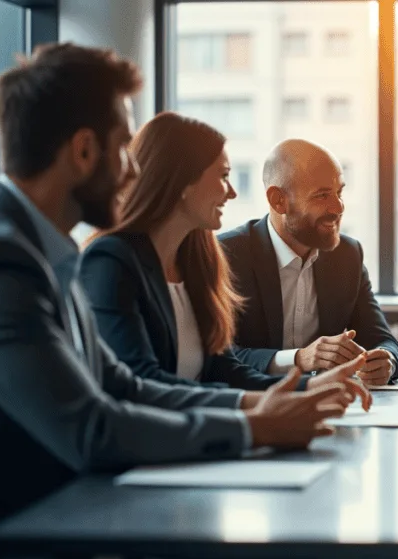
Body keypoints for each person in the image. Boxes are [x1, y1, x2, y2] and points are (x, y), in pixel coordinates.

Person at [0, 43, 363, 559]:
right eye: (124, 149)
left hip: (71, 517)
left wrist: (256, 408)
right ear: (83, 150)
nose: (130, 172)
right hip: (13, 546)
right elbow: (91, 429)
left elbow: (122, 384)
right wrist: (253, 430)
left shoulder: (40, 248)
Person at [78, 113, 358, 397]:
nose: (232, 193)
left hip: (200, 433)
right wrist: (246, 410)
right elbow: (143, 383)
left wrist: (310, 387)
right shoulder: (110, 261)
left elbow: (224, 370)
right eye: (223, 177)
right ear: (183, 183)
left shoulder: (198, 261)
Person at [220, 139, 398, 387]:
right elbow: (219, 358)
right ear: (278, 200)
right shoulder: (227, 255)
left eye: (339, 192)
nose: (338, 207)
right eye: (322, 195)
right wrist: (298, 359)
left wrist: (386, 361)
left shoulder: (347, 255)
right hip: (254, 405)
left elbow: (382, 339)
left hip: (329, 405)